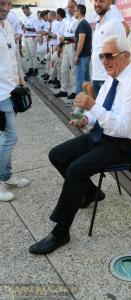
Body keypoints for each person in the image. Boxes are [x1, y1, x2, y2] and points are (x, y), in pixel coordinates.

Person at [29, 34, 131, 255]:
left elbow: (123, 128)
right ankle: (91, 192)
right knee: (57, 155)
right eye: (102, 56)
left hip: (123, 146)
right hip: (102, 136)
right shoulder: (112, 78)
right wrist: (86, 119)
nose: (104, 61)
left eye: (109, 56)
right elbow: (102, 113)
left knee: (76, 170)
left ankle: (61, 232)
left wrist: (92, 106)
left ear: (126, 56)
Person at [0, 0, 30, 202]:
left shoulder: (8, 25)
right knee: (10, 137)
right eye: (2, 3)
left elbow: (12, 56)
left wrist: (20, 78)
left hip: (11, 89)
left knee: (7, 136)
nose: (6, 8)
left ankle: (7, 175)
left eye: (9, 4)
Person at [91, 0, 126, 98]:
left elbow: (121, 52)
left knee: (107, 112)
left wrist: (114, 77)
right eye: (96, 1)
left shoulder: (115, 23)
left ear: (109, 2)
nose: (97, 4)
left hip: (108, 78)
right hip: (96, 76)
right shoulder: (98, 24)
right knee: (98, 111)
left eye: (101, 1)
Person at [54, 0, 78, 101]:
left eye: (72, 7)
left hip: (73, 46)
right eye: (68, 7)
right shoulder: (67, 20)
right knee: (64, 68)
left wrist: (65, 39)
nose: (69, 9)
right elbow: (63, 35)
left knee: (73, 69)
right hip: (65, 46)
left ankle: (75, 91)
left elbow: (77, 37)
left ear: (76, 8)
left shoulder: (77, 20)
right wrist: (60, 45)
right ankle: (63, 90)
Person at [73, 4, 92, 95]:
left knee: (80, 80)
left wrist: (76, 55)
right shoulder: (84, 23)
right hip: (85, 55)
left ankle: (79, 106)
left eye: (75, 11)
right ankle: (87, 101)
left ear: (79, 12)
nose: (74, 13)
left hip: (83, 56)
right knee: (86, 79)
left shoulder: (82, 24)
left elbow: (81, 40)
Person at [21, 5, 38, 78]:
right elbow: (23, 27)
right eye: (23, 12)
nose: (24, 13)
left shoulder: (34, 18)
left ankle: (36, 69)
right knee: (28, 54)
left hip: (32, 38)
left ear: (28, 9)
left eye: (25, 11)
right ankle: (31, 68)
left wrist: (27, 29)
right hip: (25, 37)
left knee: (33, 54)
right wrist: (22, 27)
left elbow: (35, 29)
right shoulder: (24, 18)